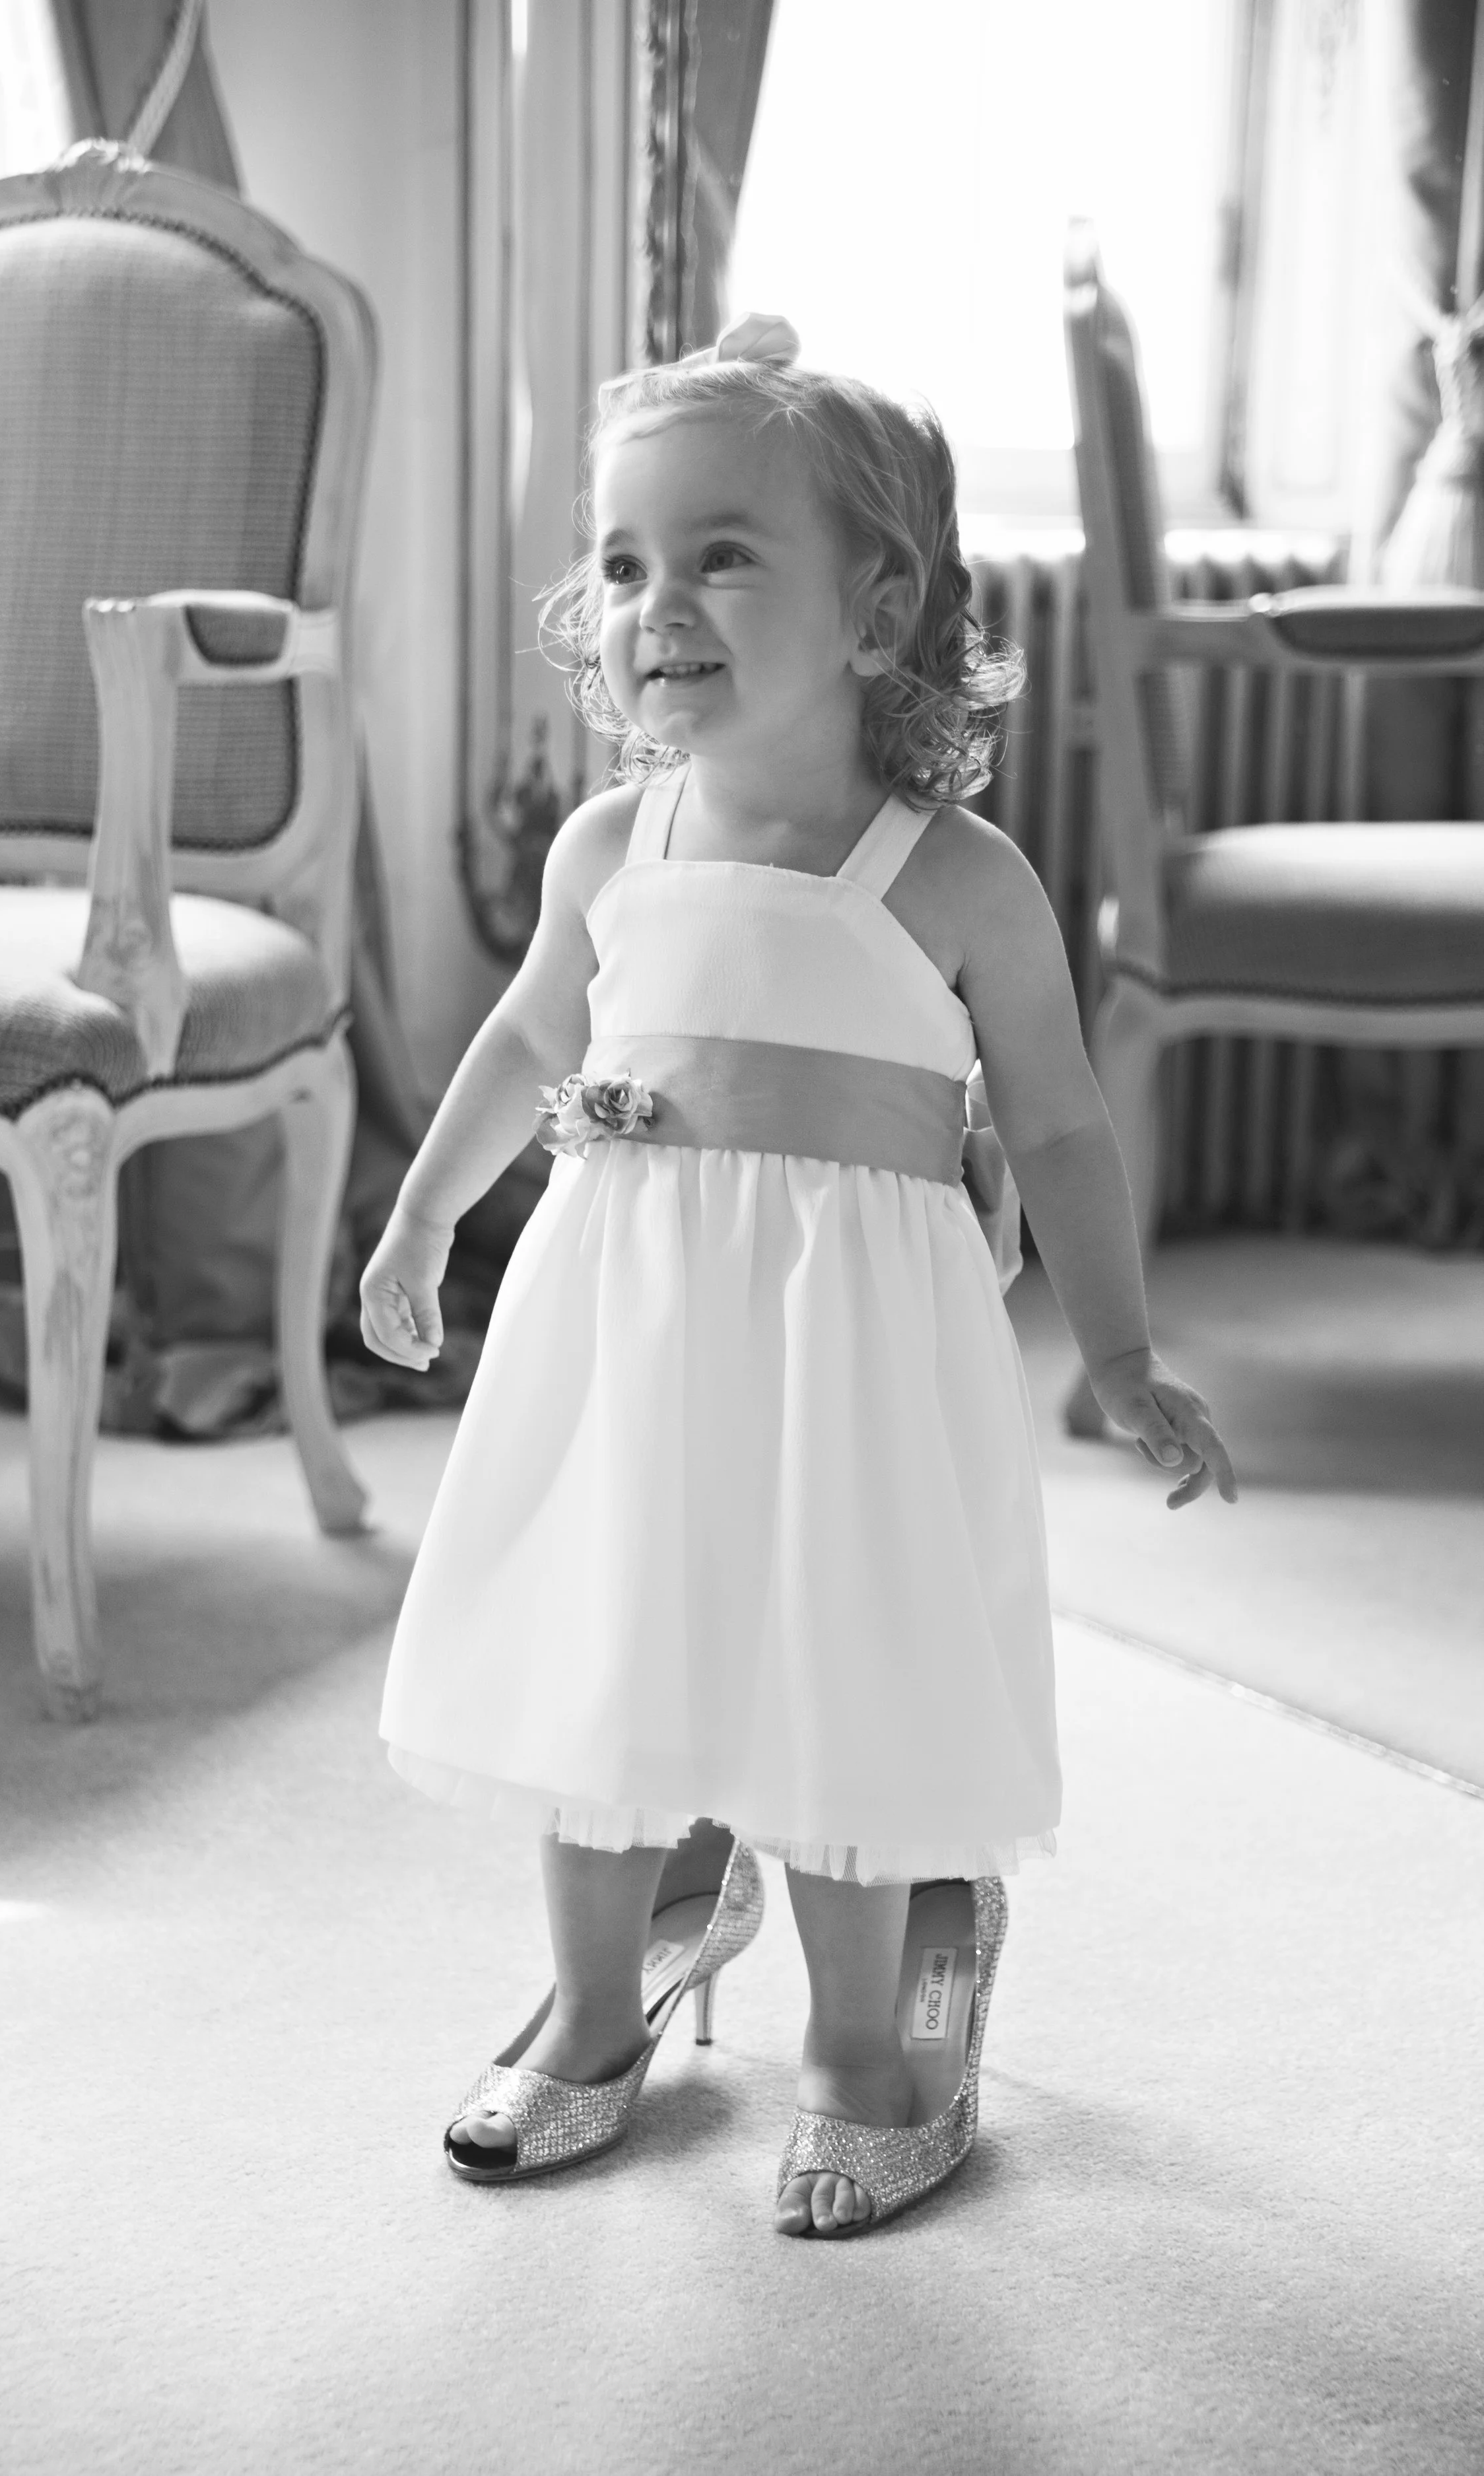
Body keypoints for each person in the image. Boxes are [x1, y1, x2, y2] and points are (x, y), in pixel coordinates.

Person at [360, 316, 1236, 2240]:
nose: (651, 601)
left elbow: (1066, 1127)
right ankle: (606, 2000)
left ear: (876, 609)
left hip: (849, 1360)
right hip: (629, 1332)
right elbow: (522, 1043)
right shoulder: (609, 843)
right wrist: (425, 1215)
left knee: (832, 1679)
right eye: (618, 564)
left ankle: (873, 2034)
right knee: (598, 1659)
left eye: (718, 552)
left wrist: (1120, 1349)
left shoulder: (956, 875)